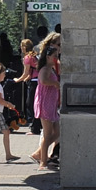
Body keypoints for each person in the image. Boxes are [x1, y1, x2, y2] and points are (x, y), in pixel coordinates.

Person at [33, 34, 62, 169]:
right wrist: (55, 83)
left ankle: (41, 152)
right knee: (48, 133)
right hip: (45, 104)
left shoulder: (50, 68)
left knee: (57, 131)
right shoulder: (45, 68)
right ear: (48, 57)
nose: (56, 59)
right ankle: (43, 160)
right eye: (54, 57)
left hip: (52, 104)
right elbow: (43, 81)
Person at [14, 38, 38, 117]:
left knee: (30, 103)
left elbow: (25, 73)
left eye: (21, 46)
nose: (20, 48)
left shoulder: (27, 58)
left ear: (25, 47)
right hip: (37, 79)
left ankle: (34, 121)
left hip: (34, 81)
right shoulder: (34, 56)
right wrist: (26, 79)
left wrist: (17, 80)